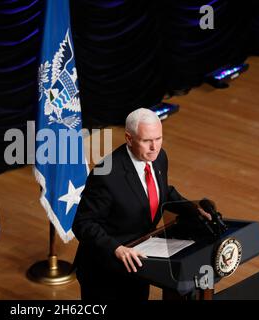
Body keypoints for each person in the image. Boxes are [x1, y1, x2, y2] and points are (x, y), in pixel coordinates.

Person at [72, 108, 211, 300]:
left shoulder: (159, 157)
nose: (155, 147)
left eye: (159, 138)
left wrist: (193, 208)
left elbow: (162, 191)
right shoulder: (106, 175)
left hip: (139, 261)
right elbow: (83, 223)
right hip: (105, 270)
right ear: (129, 139)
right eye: (147, 141)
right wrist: (116, 248)